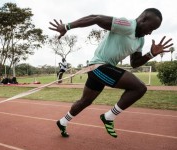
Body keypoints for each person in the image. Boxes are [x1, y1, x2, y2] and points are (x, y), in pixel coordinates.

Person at [49, 8, 173, 138]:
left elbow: (134, 63)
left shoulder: (140, 40)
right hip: (98, 66)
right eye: (151, 27)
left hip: (104, 69)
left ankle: (63, 121)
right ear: (143, 20)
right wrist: (67, 26)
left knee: (85, 101)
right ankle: (108, 117)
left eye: (154, 30)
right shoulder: (128, 25)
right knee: (140, 88)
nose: (150, 32)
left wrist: (151, 54)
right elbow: (96, 17)